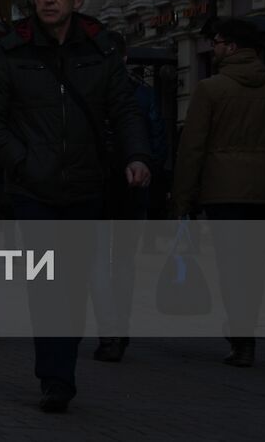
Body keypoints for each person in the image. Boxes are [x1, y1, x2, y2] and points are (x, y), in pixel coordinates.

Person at [0, 0, 151, 413]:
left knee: (71, 283)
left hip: (86, 185)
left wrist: (137, 156)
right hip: (34, 189)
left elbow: (124, 109)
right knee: (48, 281)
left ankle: (59, 368)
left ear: (78, 0)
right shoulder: (12, 51)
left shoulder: (100, 49)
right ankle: (56, 378)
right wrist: (22, 161)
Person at [172, 18, 265, 368]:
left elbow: (192, 148)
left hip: (222, 192)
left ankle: (240, 336)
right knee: (254, 265)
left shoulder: (211, 89)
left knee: (231, 265)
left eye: (217, 42)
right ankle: (245, 333)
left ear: (232, 47)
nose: (214, 48)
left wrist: (182, 199)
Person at [90, 31, 168, 363]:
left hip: (93, 188)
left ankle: (109, 332)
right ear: (124, 57)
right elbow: (158, 143)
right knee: (123, 262)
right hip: (131, 188)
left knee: (95, 262)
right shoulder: (144, 95)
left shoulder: (85, 92)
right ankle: (119, 328)